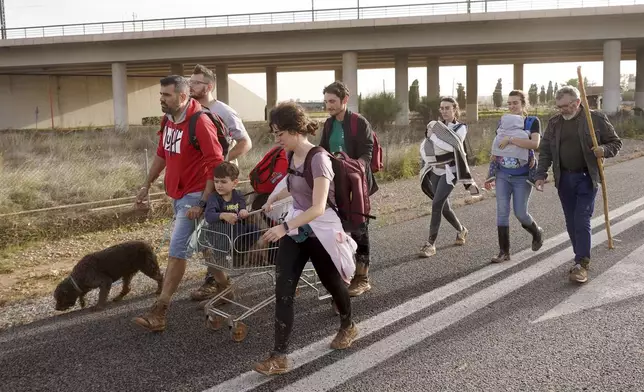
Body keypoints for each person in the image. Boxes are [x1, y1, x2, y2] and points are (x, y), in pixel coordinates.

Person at [253, 101, 358, 376]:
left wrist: (282, 227)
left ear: (295, 130)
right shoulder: (290, 155)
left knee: (332, 284)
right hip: (298, 229)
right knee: (283, 290)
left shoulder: (319, 159)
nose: (277, 139)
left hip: (320, 229)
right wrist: (274, 198)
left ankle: (348, 325)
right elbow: (293, 185)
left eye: (280, 133)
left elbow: (318, 206)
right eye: (275, 133)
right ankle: (279, 356)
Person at [133, 75, 225, 332]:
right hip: (178, 196)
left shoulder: (201, 123)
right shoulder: (168, 120)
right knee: (205, 245)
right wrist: (147, 184)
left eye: (167, 95)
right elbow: (162, 155)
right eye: (161, 94)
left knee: (178, 249)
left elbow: (215, 165)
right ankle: (226, 287)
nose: (161, 99)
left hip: (195, 197)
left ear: (183, 97)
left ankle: (160, 311)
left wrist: (205, 201)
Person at [535, 85, 622, 283]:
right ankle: (579, 258)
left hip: (587, 177)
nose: (561, 110)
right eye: (558, 106)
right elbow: (546, 150)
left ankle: (582, 263)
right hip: (564, 179)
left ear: (577, 103)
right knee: (571, 222)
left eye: (565, 106)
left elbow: (615, 143)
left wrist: (603, 150)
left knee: (582, 219)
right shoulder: (555, 122)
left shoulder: (595, 119)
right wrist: (540, 175)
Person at [188, 64, 254, 303]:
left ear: (209, 86)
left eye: (196, 82)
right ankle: (218, 279)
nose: (191, 86)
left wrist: (222, 163)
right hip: (198, 182)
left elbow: (245, 142)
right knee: (206, 233)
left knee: (217, 232)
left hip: (221, 185)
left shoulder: (223, 111)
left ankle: (216, 282)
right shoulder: (190, 111)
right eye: (190, 82)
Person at [319, 81, 377, 297]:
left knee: (360, 228)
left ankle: (362, 278)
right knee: (340, 228)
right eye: (326, 102)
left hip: (357, 184)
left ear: (344, 100)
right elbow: (323, 150)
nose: (329, 105)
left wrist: (355, 167)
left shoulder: (358, 122)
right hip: (336, 184)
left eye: (332, 101)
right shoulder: (328, 124)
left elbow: (367, 151)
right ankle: (345, 274)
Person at [484, 90, 544, 263]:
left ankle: (536, 232)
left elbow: (535, 144)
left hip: (522, 176)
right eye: (509, 103)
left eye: (515, 103)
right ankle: (504, 252)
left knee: (520, 213)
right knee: (502, 212)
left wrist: (511, 139)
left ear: (523, 104)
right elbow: (497, 147)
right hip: (503, 173)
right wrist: (491, 170)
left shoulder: (531, 121)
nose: (511, 106)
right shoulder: (503, 121)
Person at [418, 97, 479, 258]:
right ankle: (461, 230)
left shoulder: (461, 127)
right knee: (444, 207)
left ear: (455, 109)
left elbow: (451, 145)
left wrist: (434, 137)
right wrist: (433, 141)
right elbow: (425, 147)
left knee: (436, 204)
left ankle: (431, 244)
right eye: (442, 108)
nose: (444, 111)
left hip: (450, 172)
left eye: (447, 108)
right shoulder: (436, 126)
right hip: (434, 171)